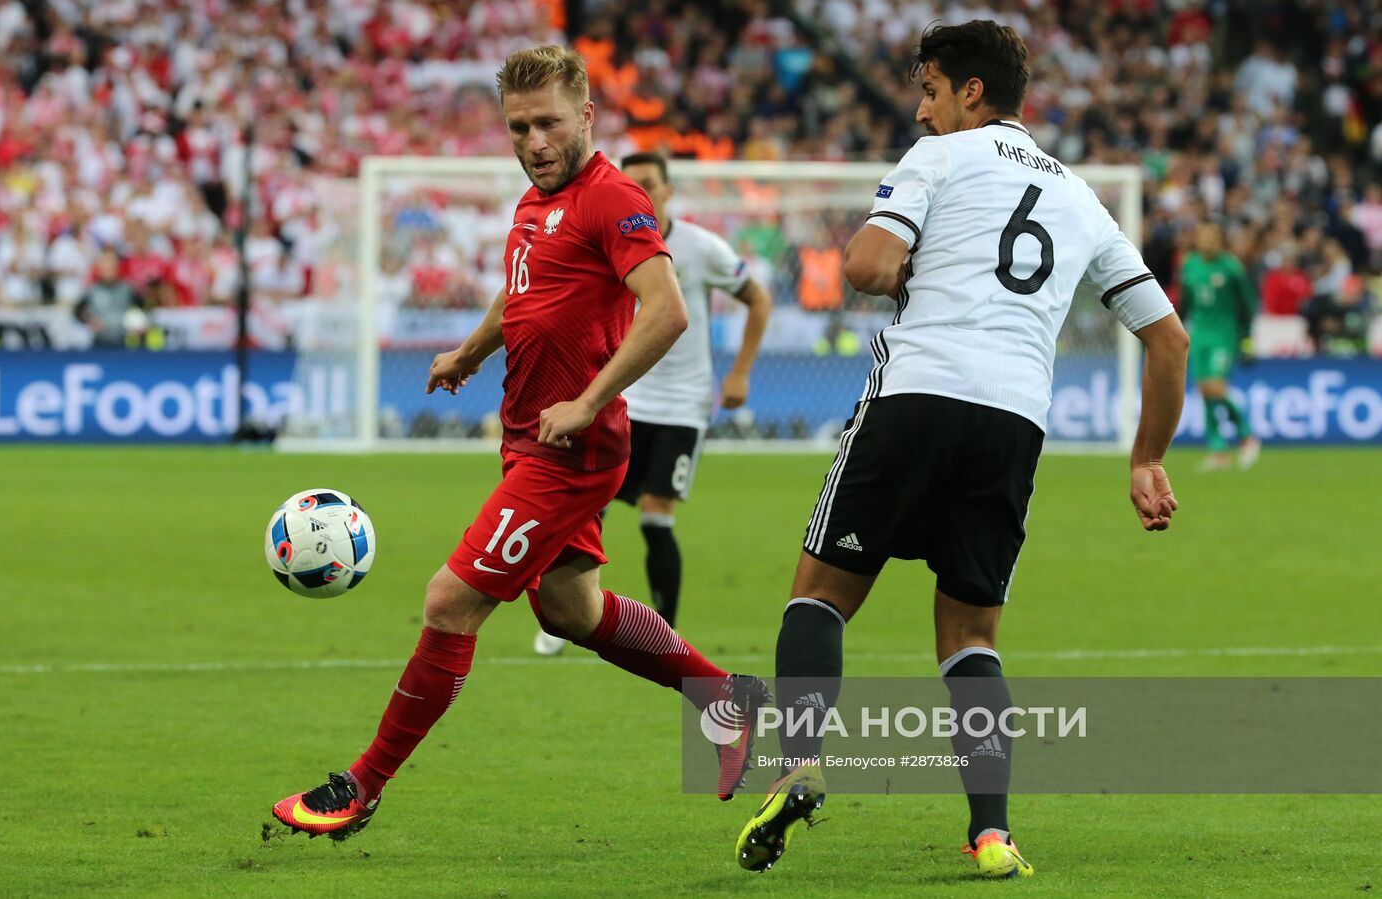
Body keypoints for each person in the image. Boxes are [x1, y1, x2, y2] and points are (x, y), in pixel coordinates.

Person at [271, 46, 768, 841]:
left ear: (587, 119)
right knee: (573, 610)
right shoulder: (535, 204)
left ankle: (360, 786)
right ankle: (723, 699)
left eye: (549, 124)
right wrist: (472, 349)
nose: (534, 141)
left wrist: (588, 398)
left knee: (449, 600)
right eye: (519, 126)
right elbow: (527, 289)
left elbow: (667, 309)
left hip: (569, 451)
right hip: (528, 436)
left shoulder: (614, 197)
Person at [732, 21, 1189, 878]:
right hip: (1013, 422)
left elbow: (867, 266)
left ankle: (798, 762)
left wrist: (921, 266)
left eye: (930, 91)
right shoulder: (1085, 199)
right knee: (971, 638)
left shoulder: (939, 158)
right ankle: (991, 833)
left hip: (916, 397)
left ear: (970, 93)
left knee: (820, 596)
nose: (920, 108)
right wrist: (1146, 457)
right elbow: (1169, 343)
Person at [532, 151, 774, 655]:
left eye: (650, 183)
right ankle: (570, 614)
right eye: (632, 182)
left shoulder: (702, 248)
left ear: (667, 190)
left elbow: (758, 298)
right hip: (624, 397)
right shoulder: (608, 236)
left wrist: (741, 371)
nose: (641, 190)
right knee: (587, 505)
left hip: (683, 406)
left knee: (656, 517)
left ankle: (661, 633)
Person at [1178, 221, 1262, 470]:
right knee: (1204, 390)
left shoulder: (1231, 268)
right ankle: (1218, 450)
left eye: (1212, 237)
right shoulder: (1189, 265)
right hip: (1199, 335)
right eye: (1203, 237)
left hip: (1224, 334)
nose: (1207, 242)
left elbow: (1248, 305)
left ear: (1219, 240)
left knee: (1215, 386)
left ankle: (1247, 436)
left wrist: (1247, 339)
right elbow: (1185, 303)